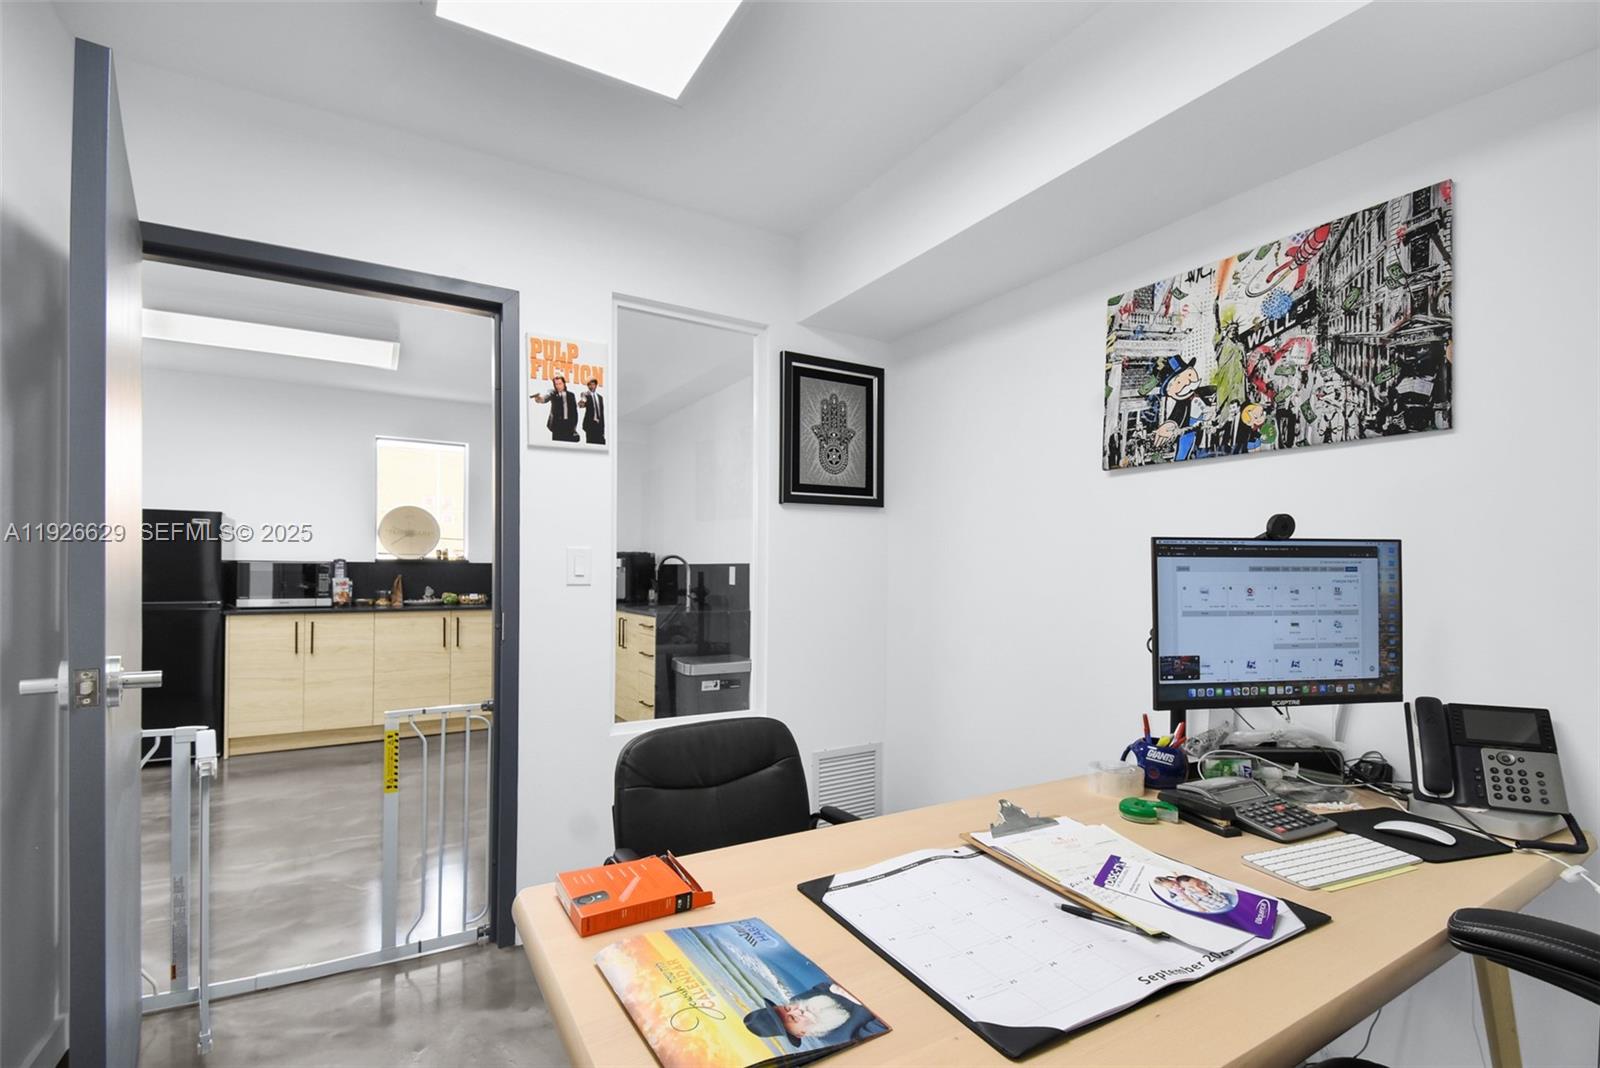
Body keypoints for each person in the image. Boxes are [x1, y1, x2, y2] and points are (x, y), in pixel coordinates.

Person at [742, 982, 886, 1048]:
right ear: (800, 1033)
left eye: (787, 1008)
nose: (798, 1010)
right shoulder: (839, 1040)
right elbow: (883, 1023)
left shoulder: (798, 1000)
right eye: (793, 1018)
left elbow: (822, 987)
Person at [531, 373, 579, 442]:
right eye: (556, 384)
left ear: (564, 383)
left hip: (569, 426)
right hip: (557, 426)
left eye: (560, 384)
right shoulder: (552, 392)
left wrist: (574, 427)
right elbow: (545, 398)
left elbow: (575, 412)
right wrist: (539, 399)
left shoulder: (571, 395)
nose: (558, 386)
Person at [578, 377, 605, 445]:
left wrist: (603, 428)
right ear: (588, 386)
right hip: (590, 425)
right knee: (591, 443)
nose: (591, 386)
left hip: (599, 426)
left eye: (593, 384)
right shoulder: (586, 395)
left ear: (596, 385)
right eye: (590, 385)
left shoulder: (600, 397)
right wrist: (583, 398)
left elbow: (602, 413)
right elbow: (580, 405)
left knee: (601, 444)